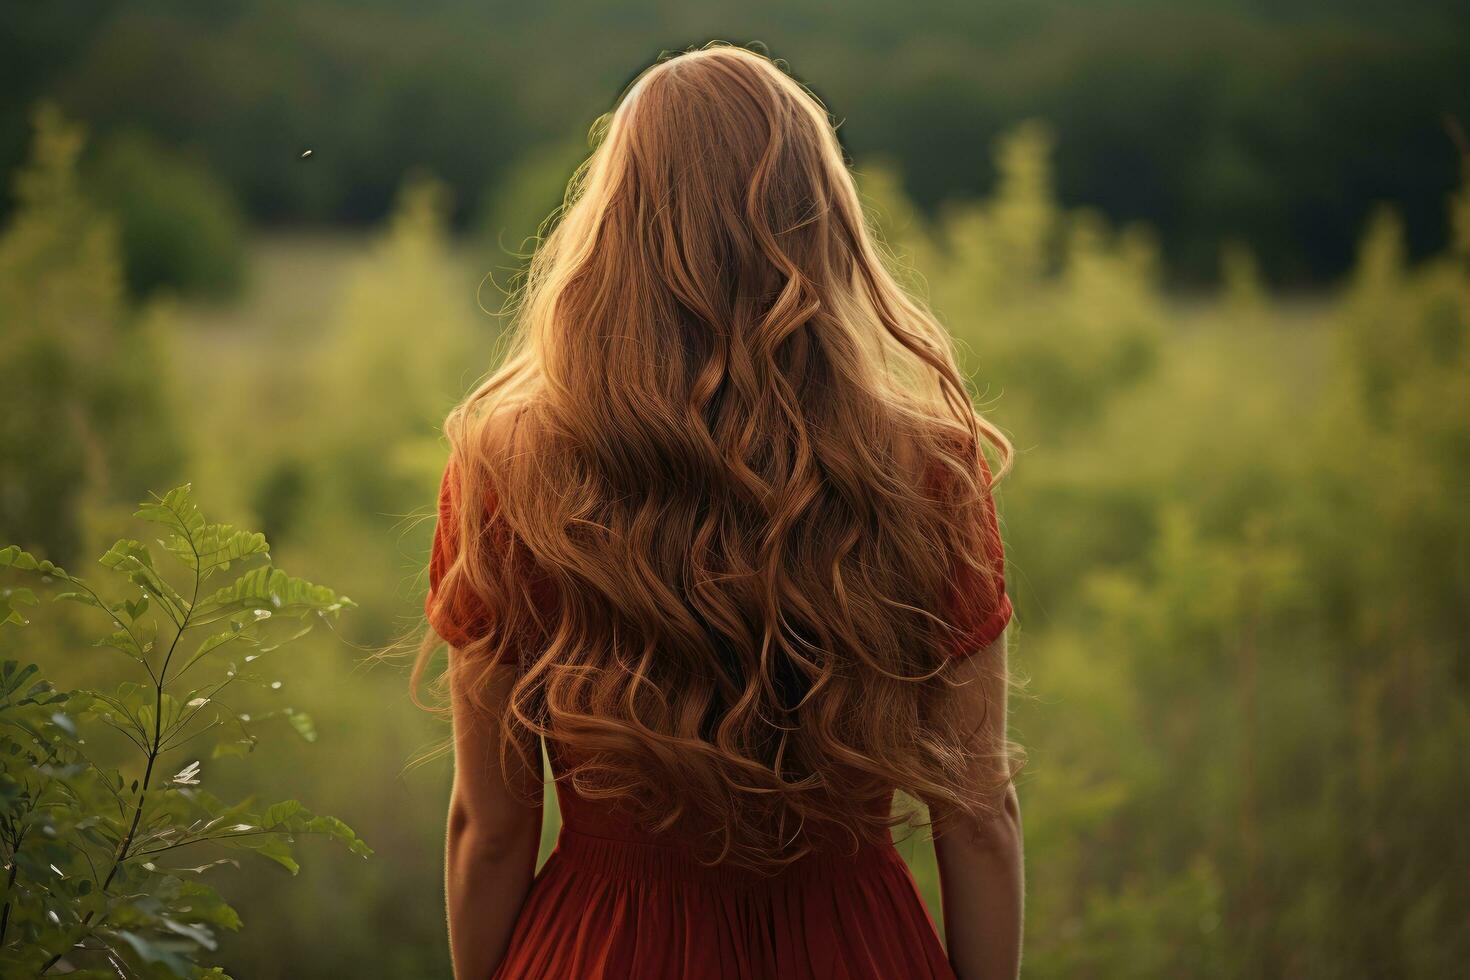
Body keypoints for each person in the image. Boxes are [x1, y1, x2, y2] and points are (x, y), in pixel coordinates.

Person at [413, 42, 1024, 980]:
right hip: (853, 946)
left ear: (615, 225)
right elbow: (979, 818)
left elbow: (490, 832)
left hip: (602, 948)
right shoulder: (928, 469)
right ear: (820, 221)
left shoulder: (509, 468)